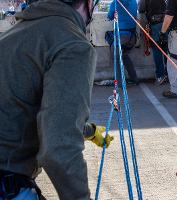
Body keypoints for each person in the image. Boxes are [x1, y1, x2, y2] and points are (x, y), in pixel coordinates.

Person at [0, 0, 114, 199]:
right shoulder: (72, 43)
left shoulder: (12, 35)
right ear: (88, 3)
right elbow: (59, 149)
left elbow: (24, 109)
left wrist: (89, 130)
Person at [107, 0, 139, 86]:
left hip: (121, 36)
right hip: (132, 36)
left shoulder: (115, 3)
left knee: (116, 57)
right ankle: (134, 78)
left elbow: (109, 16)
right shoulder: (134, 1)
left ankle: (120, 83)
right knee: (124, 55)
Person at [138, 0, 167, 85]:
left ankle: (160, 76)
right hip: (167, 23)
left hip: (155, 25)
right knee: (167, 50)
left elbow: (141, 10)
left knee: (157, 50)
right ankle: (170, 74)